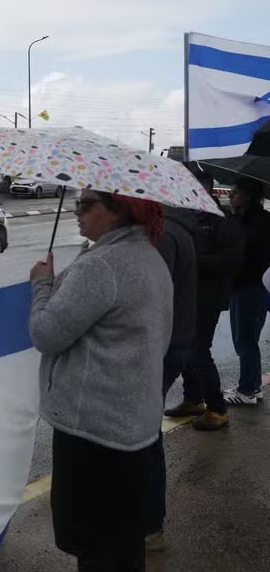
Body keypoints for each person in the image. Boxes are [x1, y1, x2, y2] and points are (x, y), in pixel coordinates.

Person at [30, 189, 173, 572]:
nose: (77, 210)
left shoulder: (101, 266)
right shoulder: (150, 257)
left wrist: (42, 285)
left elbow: (46, 334)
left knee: (94, 548)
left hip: (92, 435)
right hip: (136, 431)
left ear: (116, 211)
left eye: (86, 203)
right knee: (125, 544)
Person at [165, 170, 243, 429]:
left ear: (206, 189)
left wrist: (190, 260)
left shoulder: (221, 219)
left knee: (198, 350)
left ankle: (217, 409)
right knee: (183, 347)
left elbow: (231, 260)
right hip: (184, 294)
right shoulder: (182, 217)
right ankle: (193, 398)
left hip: (208, 296)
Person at [144, 205, 197, 550]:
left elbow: (150, 298)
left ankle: (150, 525)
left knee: (145, 435)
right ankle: (149, 523)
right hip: (176, 339)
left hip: (161, 346)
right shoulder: (181, 230)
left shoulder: (163, 236)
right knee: (145, 431)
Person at [224, 178, 270, 405]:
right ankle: (254, 386)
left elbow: (246, 256)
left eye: (235, 193)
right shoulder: (248, 219)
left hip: (250, 287)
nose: (230, 196)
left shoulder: (256, 224)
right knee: (247, 339)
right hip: (249, 287)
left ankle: (247, 391)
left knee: (244, 340)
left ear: (248, 197)